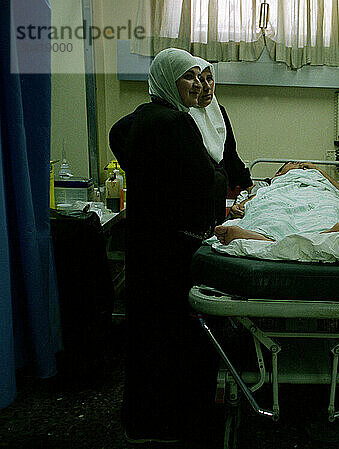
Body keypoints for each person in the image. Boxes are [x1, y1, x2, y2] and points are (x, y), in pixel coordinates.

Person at [109, 48, 224, 444]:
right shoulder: (177, 123)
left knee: (145, 334)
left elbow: (115, 135)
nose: (197, 84)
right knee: (168, 336)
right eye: (188, 76)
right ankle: (166, 424)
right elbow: (203, 182)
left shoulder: (142, 116)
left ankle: (139, 421)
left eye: (201, 76)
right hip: (170, 249)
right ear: (168, 80)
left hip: (144, 241)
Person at [214, 162, 339, 244]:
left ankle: (263, 239)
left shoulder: (318, 178)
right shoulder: (273, 184)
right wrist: (239, 207)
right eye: (292, 164)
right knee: (270, 212)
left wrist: (318, 171)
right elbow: (256, 199)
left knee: (327, 210)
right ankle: (323, 237)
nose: (299, 165)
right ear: (278, 173)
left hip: (318, 195)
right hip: (280, 196)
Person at [188, 57, 253, 222]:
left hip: (217, 190)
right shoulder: (184, 115)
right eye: (200, 80)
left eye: (209, 79)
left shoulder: (218, 111)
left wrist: (249, 185)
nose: (206, 86)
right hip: (193, 194)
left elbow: (229, 152)